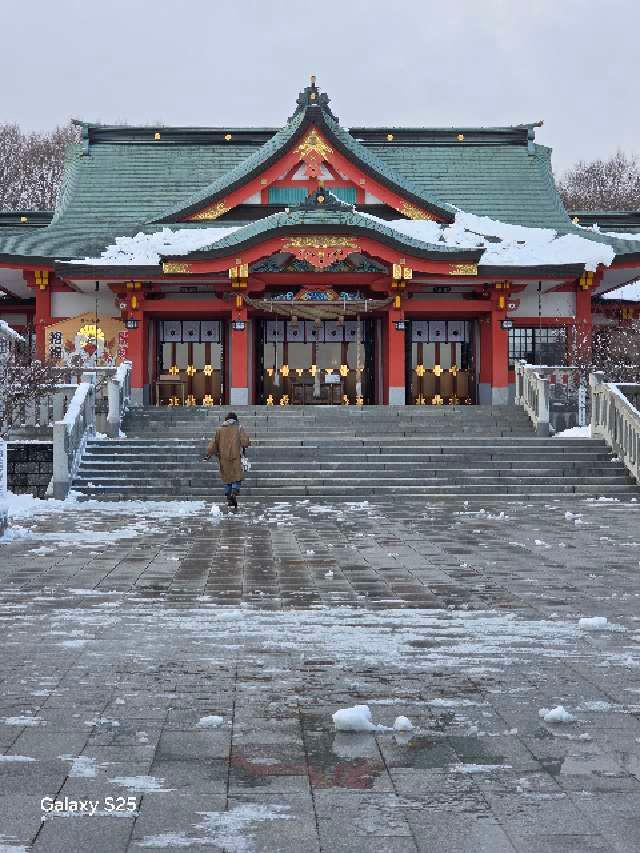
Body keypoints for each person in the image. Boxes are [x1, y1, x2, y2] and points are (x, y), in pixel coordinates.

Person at [205, 412, 251, 510]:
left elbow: (213, 444)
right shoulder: (239, 428)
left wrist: (209, 454)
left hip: (223, 458)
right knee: (236, 477)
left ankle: (228, 495)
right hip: (236, 457)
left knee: (227, 478)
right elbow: (245, 442)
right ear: (235, 419)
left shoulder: (219, 430)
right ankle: (234, 492)